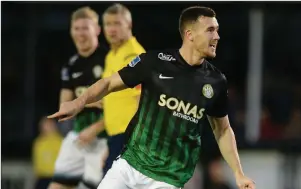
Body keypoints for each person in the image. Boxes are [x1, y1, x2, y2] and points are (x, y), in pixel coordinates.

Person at [48, 6, 255, 189]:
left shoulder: (216, 81)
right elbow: (110, 83)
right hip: (129, 165)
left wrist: (238, 172)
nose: (217, 36)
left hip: (168, 179)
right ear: (189, 34)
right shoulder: (154, 63)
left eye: (217, 30)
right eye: (211, 30)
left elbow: (223, 130)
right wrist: (78, 102)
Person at [48, 6, 108, 189]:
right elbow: (64, 107)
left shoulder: (110, 60)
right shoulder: (70, 66)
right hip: (78, 136)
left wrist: (81, 103)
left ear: (97, 30)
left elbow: (121, 107)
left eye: (85, 28)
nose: (80, 33)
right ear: (71, 31)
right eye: (76, 28)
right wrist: (96, 102)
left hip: (105, 139)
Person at [100, 3, 145, 175]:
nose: (112, 29)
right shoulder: (111, 56)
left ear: (129, 25)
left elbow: (142, 99)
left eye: (117, 24)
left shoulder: (134, 55)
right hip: (115, 136)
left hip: (130, 138)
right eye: (108, 24)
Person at [32, 117, 62, 189]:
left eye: (48, 124)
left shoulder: (60, 141)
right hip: (41, 178)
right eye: (43, 125)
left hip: (55, 178)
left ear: (53, 125)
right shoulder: (38, 142)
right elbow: (36, 162)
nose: (45, 127)